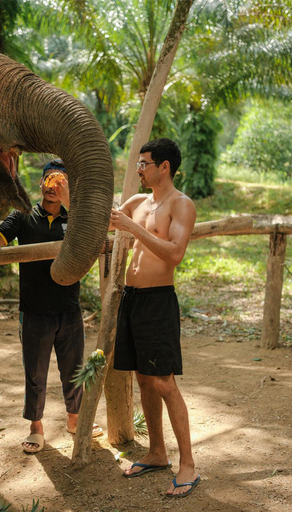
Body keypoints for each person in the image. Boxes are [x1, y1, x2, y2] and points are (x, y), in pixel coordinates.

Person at [0, 158, 102, 454]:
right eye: (49, 179)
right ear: (40, 183)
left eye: (60, 181)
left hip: (69, 310)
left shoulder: (74, 220)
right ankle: (36, 427)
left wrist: (69, 199)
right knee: (35, 373)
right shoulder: (23, 217)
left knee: (73, 369)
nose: (52, 186)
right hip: (33, 311)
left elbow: (91, 235)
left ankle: (74, 419)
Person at [109, 138, 200, 498]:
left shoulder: (182, 205)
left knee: (164, 382)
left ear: (164, 167)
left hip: (159, 301)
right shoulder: (136, 203)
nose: (139, 170)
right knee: (144, 380)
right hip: (132, 299)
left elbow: (175, 253)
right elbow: (102, 217)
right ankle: (157, 452)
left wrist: (134, 230)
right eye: (138, 164)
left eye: (144, 163)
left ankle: (188, 466)